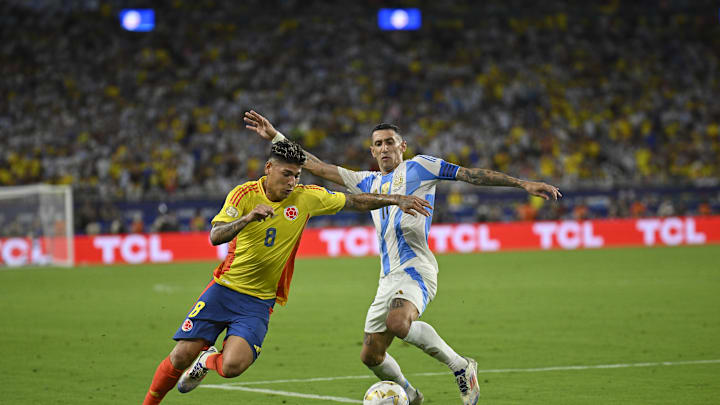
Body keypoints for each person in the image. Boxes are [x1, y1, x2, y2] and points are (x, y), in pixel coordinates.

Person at [245, 110, 562, 405]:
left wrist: (522, 183)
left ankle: (461, 366)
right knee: (371, 356)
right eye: (378, 144)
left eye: (390, 143)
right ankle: (410, 394)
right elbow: (315, 165)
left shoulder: (421, 167)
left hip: (417, 270)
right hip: (388, 279)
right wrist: (275, 136)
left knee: (399, 322)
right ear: (372, 151)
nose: (384, 149)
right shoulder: (366, 182)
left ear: (402, 146)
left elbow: (471, 175)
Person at [142, 140, 431, 405]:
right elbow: (216, 235)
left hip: (258, 302)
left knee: (231, 367)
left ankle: (206, 362)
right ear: (269, 169)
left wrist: (396, 199)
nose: (292, 182)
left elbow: (354, 201)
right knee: (180, 354)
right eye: (286, 174)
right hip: (223, 290)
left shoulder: (306, 198)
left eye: (297, 175)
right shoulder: (243, 195)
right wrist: (248, 217)